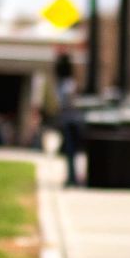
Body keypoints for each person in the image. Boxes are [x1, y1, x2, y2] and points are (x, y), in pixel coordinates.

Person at [53, 46, 83, 186]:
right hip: (70, 120)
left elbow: (68, 104)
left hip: (70, 121)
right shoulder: (66, 84)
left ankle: (72, 178)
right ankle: (72, 177)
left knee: (71, 151)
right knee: (70, 152)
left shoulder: (65, 85)